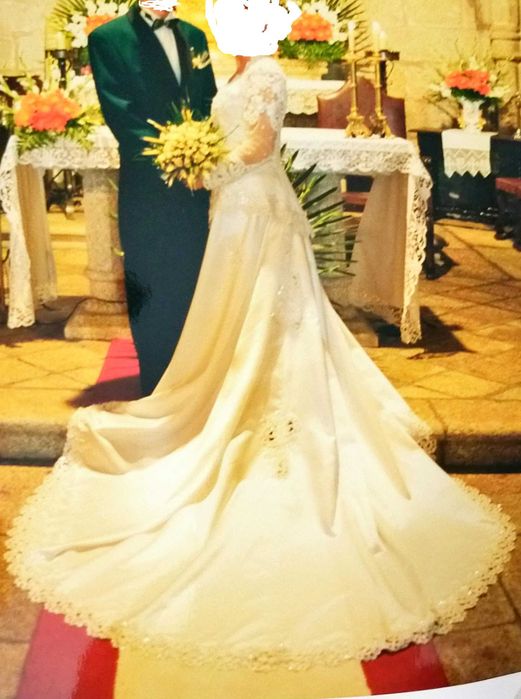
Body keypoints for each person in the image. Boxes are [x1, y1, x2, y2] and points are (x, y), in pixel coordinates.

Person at [5, 0, 516, 679]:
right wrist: (189, 160)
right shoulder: (196, 58)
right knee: (223, 314)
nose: (229, 25)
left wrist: (201, 167)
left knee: (270, 320)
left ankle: (258, 416)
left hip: (249, 210)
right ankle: (201, 399)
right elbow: (158, 116)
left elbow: (255, 147)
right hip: (221, 209)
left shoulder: (262, 71)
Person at [88, 0, 217, 396]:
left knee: (191, 277)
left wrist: (203, 153)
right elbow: (120, 112)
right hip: (147, 185)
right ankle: (156, 383)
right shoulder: (108, 38)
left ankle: (191, 381)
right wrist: (174, 155)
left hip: (195, 185)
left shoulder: (194, 36)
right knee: (147, 279)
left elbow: (207, 100)